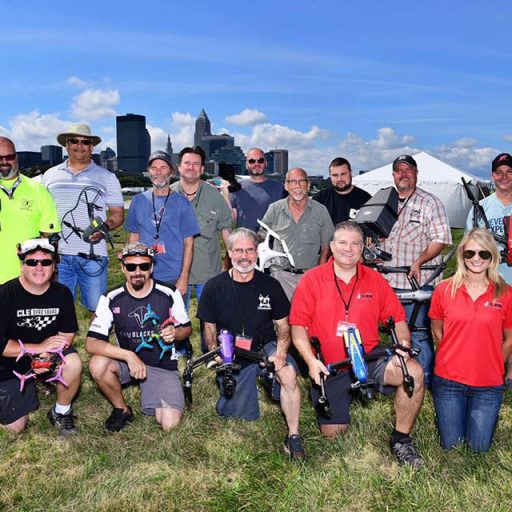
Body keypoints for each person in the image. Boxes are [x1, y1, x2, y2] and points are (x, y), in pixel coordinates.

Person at [290, 221, 425, 467]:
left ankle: (401, 440)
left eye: (355, 244)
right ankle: (347, 394)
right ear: (331, 246)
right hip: (330, 365)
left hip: (369, 358)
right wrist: (311, 362)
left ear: (363, 248)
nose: (348, 249)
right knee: (333, 434)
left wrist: (403, 344)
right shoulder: (312, 279)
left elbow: (398, 321)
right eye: (342, 243)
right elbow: (297, 327)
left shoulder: (376, 280)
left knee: (413, 371)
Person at [197, 228, 305, 459]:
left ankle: (294, 436)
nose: (244, 256)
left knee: (287, 374)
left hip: (264, 345)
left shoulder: (271, 285)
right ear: (230, 252)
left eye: (249, 250)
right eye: (238, 251)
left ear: (256, 253)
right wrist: (217, 353)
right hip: (230, 349)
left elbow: (284, 326)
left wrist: (281, 353)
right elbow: (208, 327)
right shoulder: (214, 286)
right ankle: (245, 385)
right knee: (239, 414)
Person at [86, 242, 192, 432]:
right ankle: (122, 409)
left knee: (170, 424)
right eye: (131, 266)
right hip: (127, 362)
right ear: (122, 267)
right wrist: (129, 356)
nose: (137, 271)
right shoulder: (111, 297)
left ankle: (154, 388)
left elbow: (187, 329)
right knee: (97, 364)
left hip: (161, 365)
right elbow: (91, 343)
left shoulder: (169, 293)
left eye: (143, 266)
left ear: (151, 267)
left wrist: (175, 333)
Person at [429, 228, 512, 452]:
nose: (476, 259)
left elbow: (509, 340)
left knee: (478, 450)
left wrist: (493, 363)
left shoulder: (505, 293)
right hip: (448, 382)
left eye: (483, 254)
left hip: (488, 385)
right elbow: (437, 332)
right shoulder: (444, 290)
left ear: (492, 257)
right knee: (452, 448)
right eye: (470, 253)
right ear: (462, 256)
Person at [382, 154, 451, 387]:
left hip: (416, 282)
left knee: (419, 333)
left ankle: (426, 382)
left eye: (408, 170)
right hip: (388, 280)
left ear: (416, 173)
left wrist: (419, 261)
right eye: (398, 170)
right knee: (394, 334)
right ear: (393, 175)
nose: (403, 174)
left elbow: (441, 239)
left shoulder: (429, 203)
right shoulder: (385, 201)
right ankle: (400, 378)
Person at [0, 238, 82, 435]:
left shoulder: (62, 293)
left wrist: (50, 353)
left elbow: (68, 333)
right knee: (15, 428)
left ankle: (60, 412)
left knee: (73, 363)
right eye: (32, 262)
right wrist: (37, 348)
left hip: (49, 356)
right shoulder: (5, 294)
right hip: (10, 362)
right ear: (22, 265)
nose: (39, 267)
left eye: (46, 262)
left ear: (53, 267)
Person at [41, 124, 124, 315]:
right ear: (67, 145)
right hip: (58, 256)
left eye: (85, 142)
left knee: (98, 312)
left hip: (92, 256)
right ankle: (61, 346)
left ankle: (97, 344)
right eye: (74, 141)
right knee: (56, 311)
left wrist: (104, 227)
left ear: (91, 146)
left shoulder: (107, 177)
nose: (80, 146)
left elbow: (117, 213)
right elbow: (43, 214)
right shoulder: (50, 175)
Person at [171, 146, 232, 352]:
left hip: (208, 270)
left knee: (211, 316)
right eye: (187, 163)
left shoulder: (214, 196)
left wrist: (229, 262)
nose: (191, 167)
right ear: (178, 167)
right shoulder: (168, 194)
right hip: (176, 270)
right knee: (177, 314)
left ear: (202, 168)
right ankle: (180, 350)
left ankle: (212, 352)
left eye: (196, 164)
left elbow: (226, 231)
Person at [465, 152, 512, 386]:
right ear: (492, 176)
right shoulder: (481, 207)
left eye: (509, 172)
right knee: (492, 326)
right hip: (492, 277)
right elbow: (468, 242)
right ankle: (490, 368)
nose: (504, 177)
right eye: (499, 172)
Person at [126, 150, 200, 296]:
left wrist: (184, 278)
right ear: (149, 172)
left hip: (173, 275)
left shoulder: (182, 203)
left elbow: (189, 243)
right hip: (144, 273)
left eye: (163, 168)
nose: (158, 172)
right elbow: (133, 237)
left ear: (171, 173)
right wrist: (132, 269)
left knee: (174, 318)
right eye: (154, 168)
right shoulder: (138, 201)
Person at [260, 167, 334, 300]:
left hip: (309, 277)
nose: (297, 186)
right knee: (281, 320)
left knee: (307, 320)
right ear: (286, 186)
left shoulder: (321, 211)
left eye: (302, 181)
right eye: (292, 182)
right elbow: (261, 236)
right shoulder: (274, 209)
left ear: (308, 185)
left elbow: (326, 245)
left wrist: (320, 273)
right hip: (280, 277)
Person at [0, 137, 60, 284]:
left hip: (27, 279)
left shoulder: (37, 190)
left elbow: (50, 238)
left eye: (9, 157)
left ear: (17, 157)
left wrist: (50, 274)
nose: (4, 162)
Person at [230, 148, 284, 231]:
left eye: (260, 160)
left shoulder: (280, 188)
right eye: (252, 161)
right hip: (244, 241)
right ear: (246, 165)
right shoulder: (236, 188)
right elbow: (230, 218)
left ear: (266, 163)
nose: (256, 164)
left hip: (271, 241)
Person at [313, 157, 371, 225]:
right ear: (330, 176)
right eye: (335, 175)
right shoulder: (319, 199)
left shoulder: (366, 199)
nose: (339, 179)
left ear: (350, 172)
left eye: (343, 174)